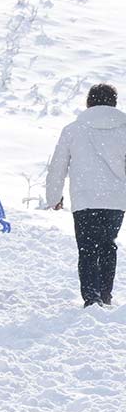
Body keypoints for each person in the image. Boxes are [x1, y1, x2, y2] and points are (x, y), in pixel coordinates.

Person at [46, 84, 126, 307]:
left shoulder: (73, 129)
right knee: (108, 245)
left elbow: (58, 166)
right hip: (116, 199)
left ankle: (91, 296)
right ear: (114, 102)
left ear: (89, 102)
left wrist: (54, 196)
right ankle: (105, 293)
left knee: (88, 248)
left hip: (85, 198)